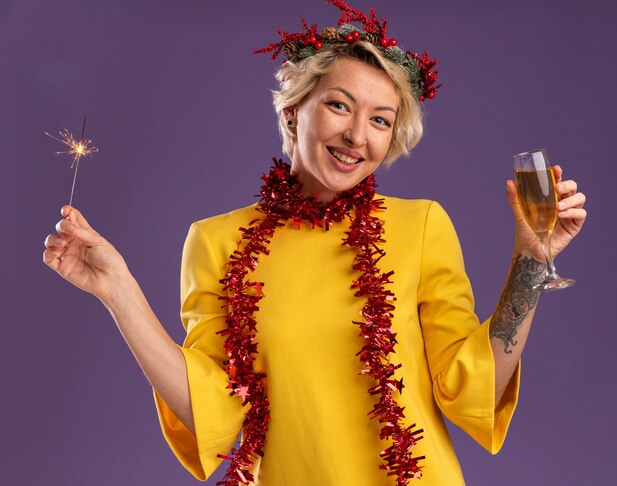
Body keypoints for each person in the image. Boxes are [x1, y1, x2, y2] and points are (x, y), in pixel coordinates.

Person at [43, 1, 587, 485]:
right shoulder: (214, 241)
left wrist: (531, 260)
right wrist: (119, 292)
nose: (358, 135)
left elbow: (474, 389)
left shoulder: (421, 225)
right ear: (292, 110)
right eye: (339, 105)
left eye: (380, 119)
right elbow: (211, 409)